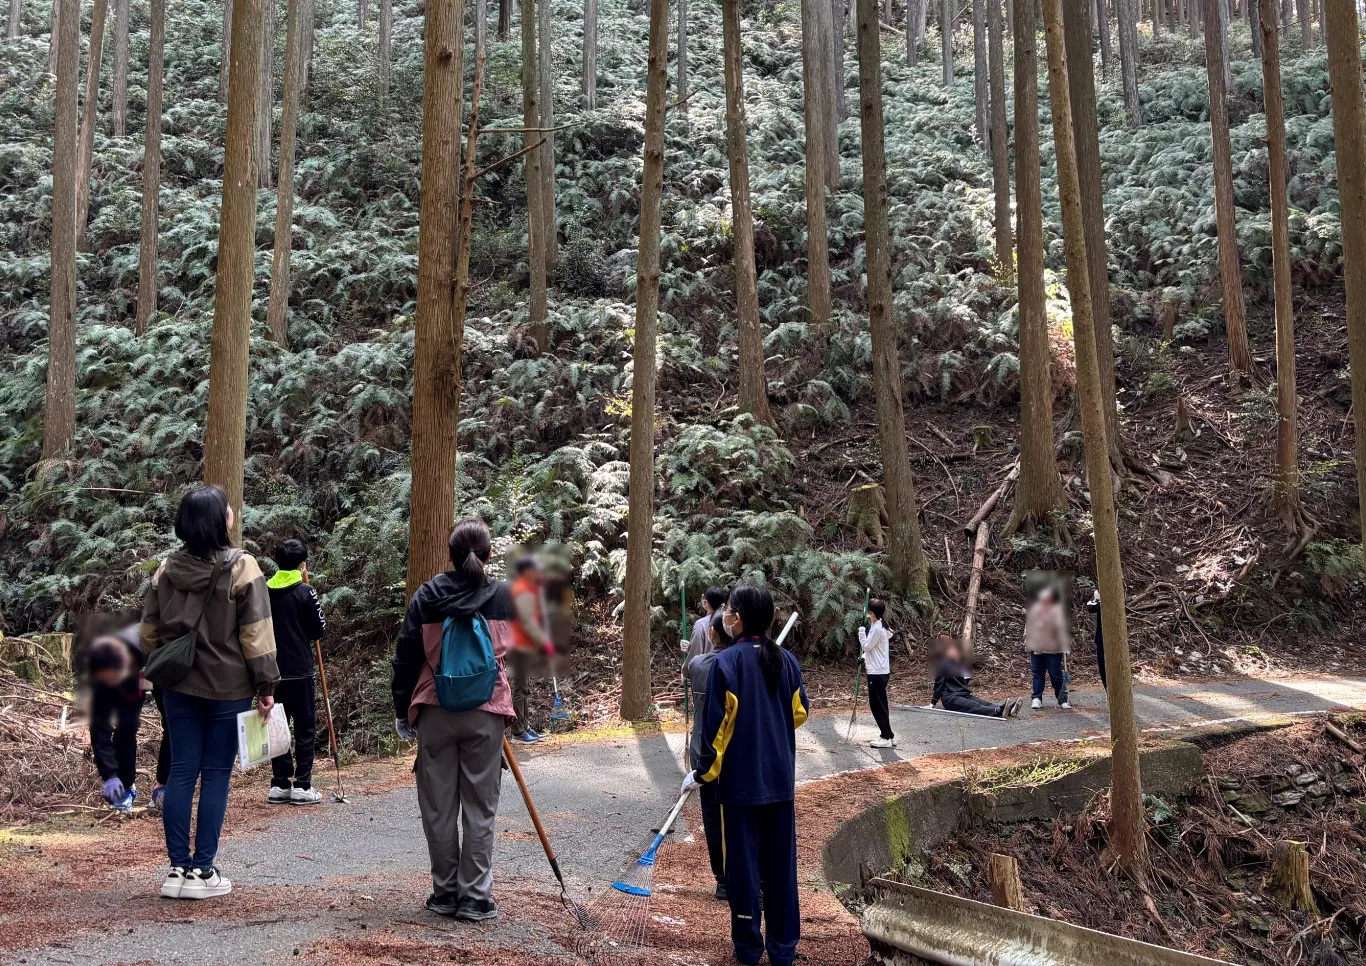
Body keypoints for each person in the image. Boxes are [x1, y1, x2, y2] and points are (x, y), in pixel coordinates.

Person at [140, 484, 279, 900]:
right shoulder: (243, 567)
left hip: (178, 685)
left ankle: (176, 870)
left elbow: (148, 631)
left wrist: (171, 655)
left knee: (182, 770)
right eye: (228, 510)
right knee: (216, 774)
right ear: (221, 521)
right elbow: (257, 634)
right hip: (228, 686)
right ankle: (203, 871)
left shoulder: (166, 569)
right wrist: (266, 685)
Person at [391, 518, 518, 923]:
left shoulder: (427, 595)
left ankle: (445, 893)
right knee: (480, 807)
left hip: (435, 708)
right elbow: (515, 657)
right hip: (486, 711)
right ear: (489, 554)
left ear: (449, 555)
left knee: (438, 808)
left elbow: (407, 656)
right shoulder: (503, 596)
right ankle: (476, 897)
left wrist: (401, 710)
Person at [682, 585, 810, 966]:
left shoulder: (727, 664)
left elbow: (716, 730)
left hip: (738, 787)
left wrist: (702, 773)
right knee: (781, 869)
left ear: (736, 618)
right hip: (779, 782)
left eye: (729, 610)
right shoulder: (786, 660)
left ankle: (749, 948)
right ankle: (784, 948)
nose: (725, 615)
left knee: (743, 868)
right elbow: (800, 712)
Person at [265, 539, 327, 806]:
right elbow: (318, 630)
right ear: (303, 565)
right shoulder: (306, 592)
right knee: (304, 727)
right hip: (300, 670)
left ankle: (279, 783)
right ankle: (302, 784)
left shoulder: (264, 591)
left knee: (277, 725)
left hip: (270, 670)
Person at [85, 623, 165, 811]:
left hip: (161, 665)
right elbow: (100, 730)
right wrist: (110, 775)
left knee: (173, 722)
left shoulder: (152, 645)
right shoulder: (101, 677)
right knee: (126, 727)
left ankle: (163, 784)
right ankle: (126, 785)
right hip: (133, 677)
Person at [682, 611, 733, 900]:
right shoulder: (736, 666)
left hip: (703, 747)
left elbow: (688, 669)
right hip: (728, 751)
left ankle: (722, 879)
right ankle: (736, 875)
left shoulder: (700, 663)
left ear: (712, 634)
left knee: (712, 815)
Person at [508, 557, 553, 743]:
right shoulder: (522, 590)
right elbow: (527, 622)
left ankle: (525, 727)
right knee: (520, 689)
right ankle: (518, 731)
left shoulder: (526, 589)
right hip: (519, 646)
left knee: (524, 687)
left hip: (523, 646)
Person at [931, 633, 1019, 718]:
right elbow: (939, 684)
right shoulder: (942, 664)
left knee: (983, 703)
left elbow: (964, 683)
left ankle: (1008, 709)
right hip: (950, 698)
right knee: (974, 706)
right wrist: (933, 703)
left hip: (963, 694)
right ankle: (997, 711)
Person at [1024, 585, 1070, 709]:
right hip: (1037, 647)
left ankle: (1062, 699)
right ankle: (1036, 698)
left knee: (1056, 674)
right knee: (1038, 674)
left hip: (1054, 649)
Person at [858, 598, 894, 748]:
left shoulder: (878, 629)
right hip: (879, 669)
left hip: (877, 672)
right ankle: (889, 735)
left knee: (876, 705)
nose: (867, 614)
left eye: (868, 612)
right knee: (881, 704)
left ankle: (885, 737)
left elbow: (866, 646)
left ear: (872, 613)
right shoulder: (879, 626)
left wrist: (861, 632)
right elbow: (873, 649)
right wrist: (863, 658)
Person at [683, 586, 729, 661]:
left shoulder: (701, 624)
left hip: (706, 669)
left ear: (706, 603)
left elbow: (695, 656)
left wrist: (684, 671)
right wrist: (689, 647)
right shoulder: (729, 620)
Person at [1086, 589, 1106, 689]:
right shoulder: (1099, 592)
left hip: (1117, 640)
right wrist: (1098, 599)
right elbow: (1090, 608)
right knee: (1103, 668)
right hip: (1101, 638)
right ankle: (1108, 691)